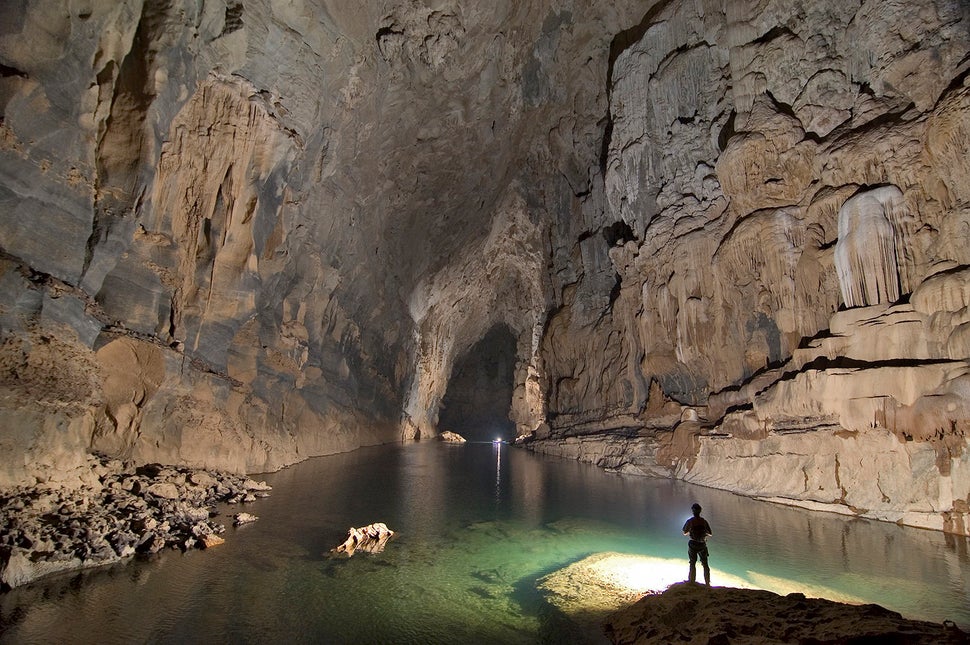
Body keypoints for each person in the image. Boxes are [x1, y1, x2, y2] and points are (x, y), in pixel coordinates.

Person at [682, 502, 712, 585]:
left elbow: (685, 532)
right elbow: (710, 533)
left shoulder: (690, 521)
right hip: (702, 544)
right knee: (705, 564)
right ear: (700, 511)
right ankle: (707, 583)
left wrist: (691, 531)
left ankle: (691, 581)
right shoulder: (704, 521)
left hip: (693, 544)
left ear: (692, 511)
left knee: (692, 562)